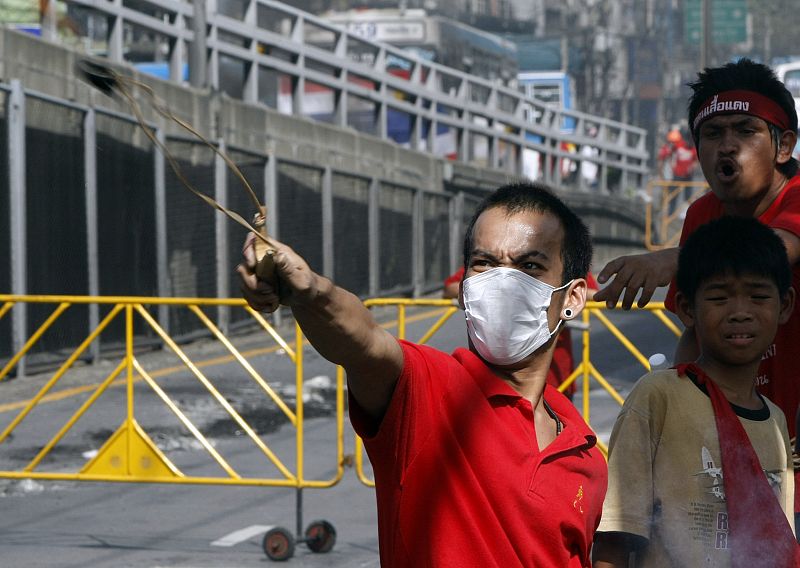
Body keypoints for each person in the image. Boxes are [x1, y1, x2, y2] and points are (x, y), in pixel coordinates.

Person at [239, 182, 608, 566]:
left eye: (529, 266)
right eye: (484, 263)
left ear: (573, 297)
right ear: (464, 291)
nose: (503, 282)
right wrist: (309, 290)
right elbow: (364, 341)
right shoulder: (427, 389)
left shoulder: (586, 456)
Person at [593, 60, 800, 521]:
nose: (728, 145)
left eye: (745, 130)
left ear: (784, 145)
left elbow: (775, 249)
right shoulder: (702, 214)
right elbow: (694, 336)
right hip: (732, 453)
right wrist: (673, 414)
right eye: (713, 133)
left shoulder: (798, 198)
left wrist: (672, 259)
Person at [593, 216, 798, 567]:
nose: (740, 313)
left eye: (759, 296)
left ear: (785, 305)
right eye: (719, 298)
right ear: (687, 309)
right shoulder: (659, 397)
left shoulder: (776, 421)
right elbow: (615, 539)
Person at [443, 267, 599, 400]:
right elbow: (450, 287)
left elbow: (593, 293)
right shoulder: (495, 257)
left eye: (532, 265)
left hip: (557, 377)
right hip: (498, 384)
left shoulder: (562, 255)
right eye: (484, 262)